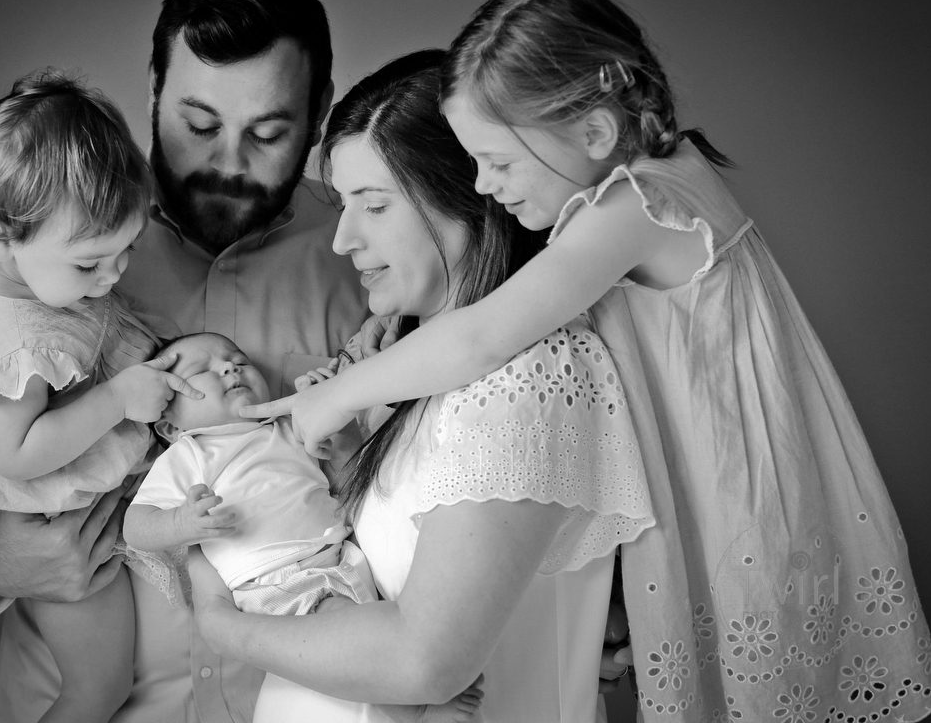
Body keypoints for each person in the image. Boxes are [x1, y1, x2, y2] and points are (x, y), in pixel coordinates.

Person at [252, 0, 931, 721]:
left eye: (498, 163)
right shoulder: (645, 195)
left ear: (591, 134)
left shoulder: (639, 204)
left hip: (736, 491)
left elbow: (486, 338)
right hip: (714, 476)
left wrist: (325, 401)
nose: (487, 187)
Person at [0, 0, 366, 722]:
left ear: (319, 112)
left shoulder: (367, 258)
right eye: (198, 124)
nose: (226, 163)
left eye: (269, 133)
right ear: (153, 94)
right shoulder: (48, 255)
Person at [188, 49, 655, 723]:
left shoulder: (529, 375)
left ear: (468, 196)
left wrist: (220, 623)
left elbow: (424, 662)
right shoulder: (412, 370)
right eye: (343, 206)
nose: (343, 240)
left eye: (373, 206)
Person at [0, 71, 192, 721]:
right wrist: (118, 400)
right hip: (40, 511)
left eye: (127, 249)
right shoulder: (21, 351)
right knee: (97, 688)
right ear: (0, 238)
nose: (112, 278)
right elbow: (18, 456)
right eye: (88, 264)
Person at [124, 331, 484, 723]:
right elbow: (135, 527)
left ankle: (403, 679)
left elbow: (347, 484)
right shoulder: (190, 453)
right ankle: (408, 699)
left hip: (341, 557)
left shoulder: (289, 427)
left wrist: (338, 427)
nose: (229, 367)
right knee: (342, 625)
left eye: (239, 360)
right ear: (170, 427)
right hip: (274, 581)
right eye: (202, 371)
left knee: (381, 615)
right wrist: (181, 522)